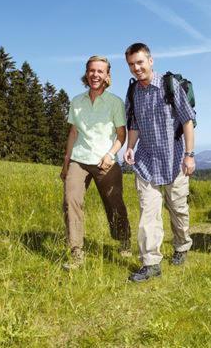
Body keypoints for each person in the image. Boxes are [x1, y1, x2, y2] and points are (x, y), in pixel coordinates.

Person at [124, 43, 196, 282]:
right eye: (132, 64)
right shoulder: (134, 92)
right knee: (148, 214)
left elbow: (187, 120)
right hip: (146, 162)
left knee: (178, 210)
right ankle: (151, 263)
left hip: (174, 160)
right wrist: (130, 148)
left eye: (140, 62)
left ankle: (182, 246)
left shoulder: (169, 85)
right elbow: (133, 125)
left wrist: (189, 155)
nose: (136, 68)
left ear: (150, 61)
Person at [61, 55, 131, 270]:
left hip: (105, 162)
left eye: (100, 71)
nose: (95, 75)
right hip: (79, 159)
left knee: (114, 204)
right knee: (70, 201)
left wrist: (110, 155)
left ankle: (124, 239)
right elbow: (73, 132)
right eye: (92, 70)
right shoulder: (77, 102)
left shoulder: (115, 102)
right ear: (87, 73)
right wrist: (66, 162)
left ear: (107, 75)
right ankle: (76, 251)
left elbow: (122, 134)